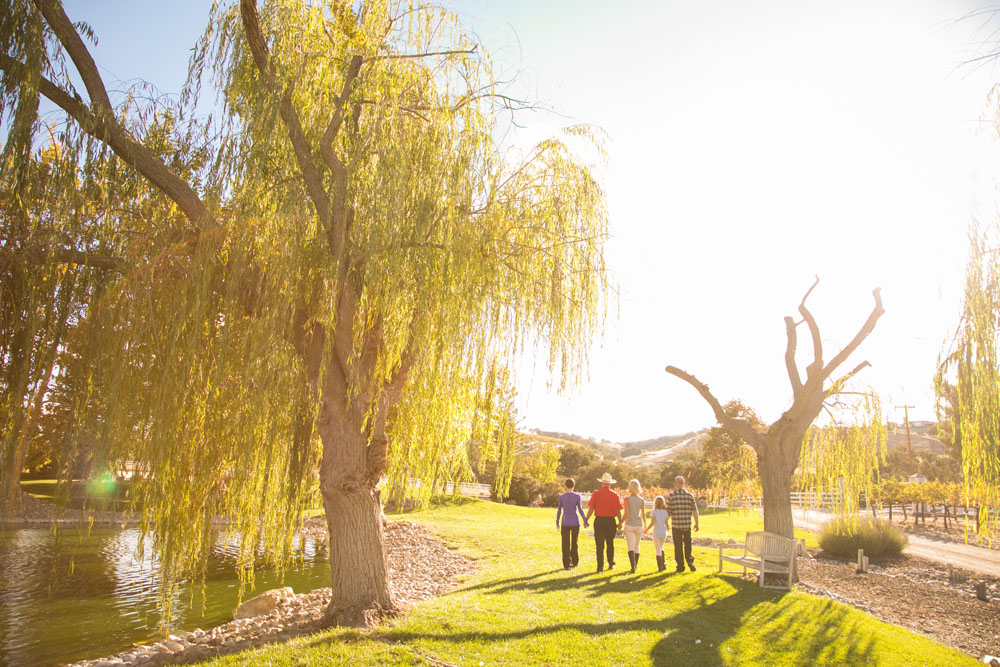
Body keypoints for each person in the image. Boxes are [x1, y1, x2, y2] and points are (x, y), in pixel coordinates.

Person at [584, 472, 623, 572]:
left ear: (602, 483)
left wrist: (586, 519)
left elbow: (591, 508)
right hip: (610, 521)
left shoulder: (596, 494)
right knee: (610, 543)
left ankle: (600, 566)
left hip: (599, 521)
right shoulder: (615, 495)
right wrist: (620, 523)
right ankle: (610, 563)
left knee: (599, 545)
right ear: (610, 484)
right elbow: (618, 511)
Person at [666, 475, 699, 573]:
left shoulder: (671, 496)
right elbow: (695, 511)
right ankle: (689, 560)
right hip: (687, 524)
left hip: (676, 525)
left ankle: (680, 566)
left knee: (678, 546)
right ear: (684, 484)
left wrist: (666, 523)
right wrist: (697, 523)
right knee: (688, 544)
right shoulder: (690, 496)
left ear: (676, 484)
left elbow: (668, 511)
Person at [555, 478, 588, 570]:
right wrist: (585, 520)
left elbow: (559, 510)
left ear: (565, 486)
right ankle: (575, 561)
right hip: (575, 521)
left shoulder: (561, 497)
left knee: (565, 543)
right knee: (574, 542)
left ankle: (566, 564)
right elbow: (580, 509)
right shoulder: (577, 496)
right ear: (573, 486)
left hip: (565, 521)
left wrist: (557, 522)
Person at [622, 479, 648, 574]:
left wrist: (620, 522)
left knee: (631, 546)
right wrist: (645, 525)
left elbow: (626, 514)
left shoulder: (627, 499)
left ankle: (633, 567)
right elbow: (643, 513)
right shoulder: (641, 500)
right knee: (637, 546)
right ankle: (635, 566)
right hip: (639, 524)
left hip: (629, 524)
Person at [644, 495, 669, 572]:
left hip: (656, 532)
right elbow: (666, 523)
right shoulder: (665, 512)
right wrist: (668, 527)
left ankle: (660, 566)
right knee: (661, 547)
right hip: (663, 532)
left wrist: (646, 529)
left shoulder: (654, 512)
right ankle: (663, 564)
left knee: (658, 549)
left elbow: (652, 523)